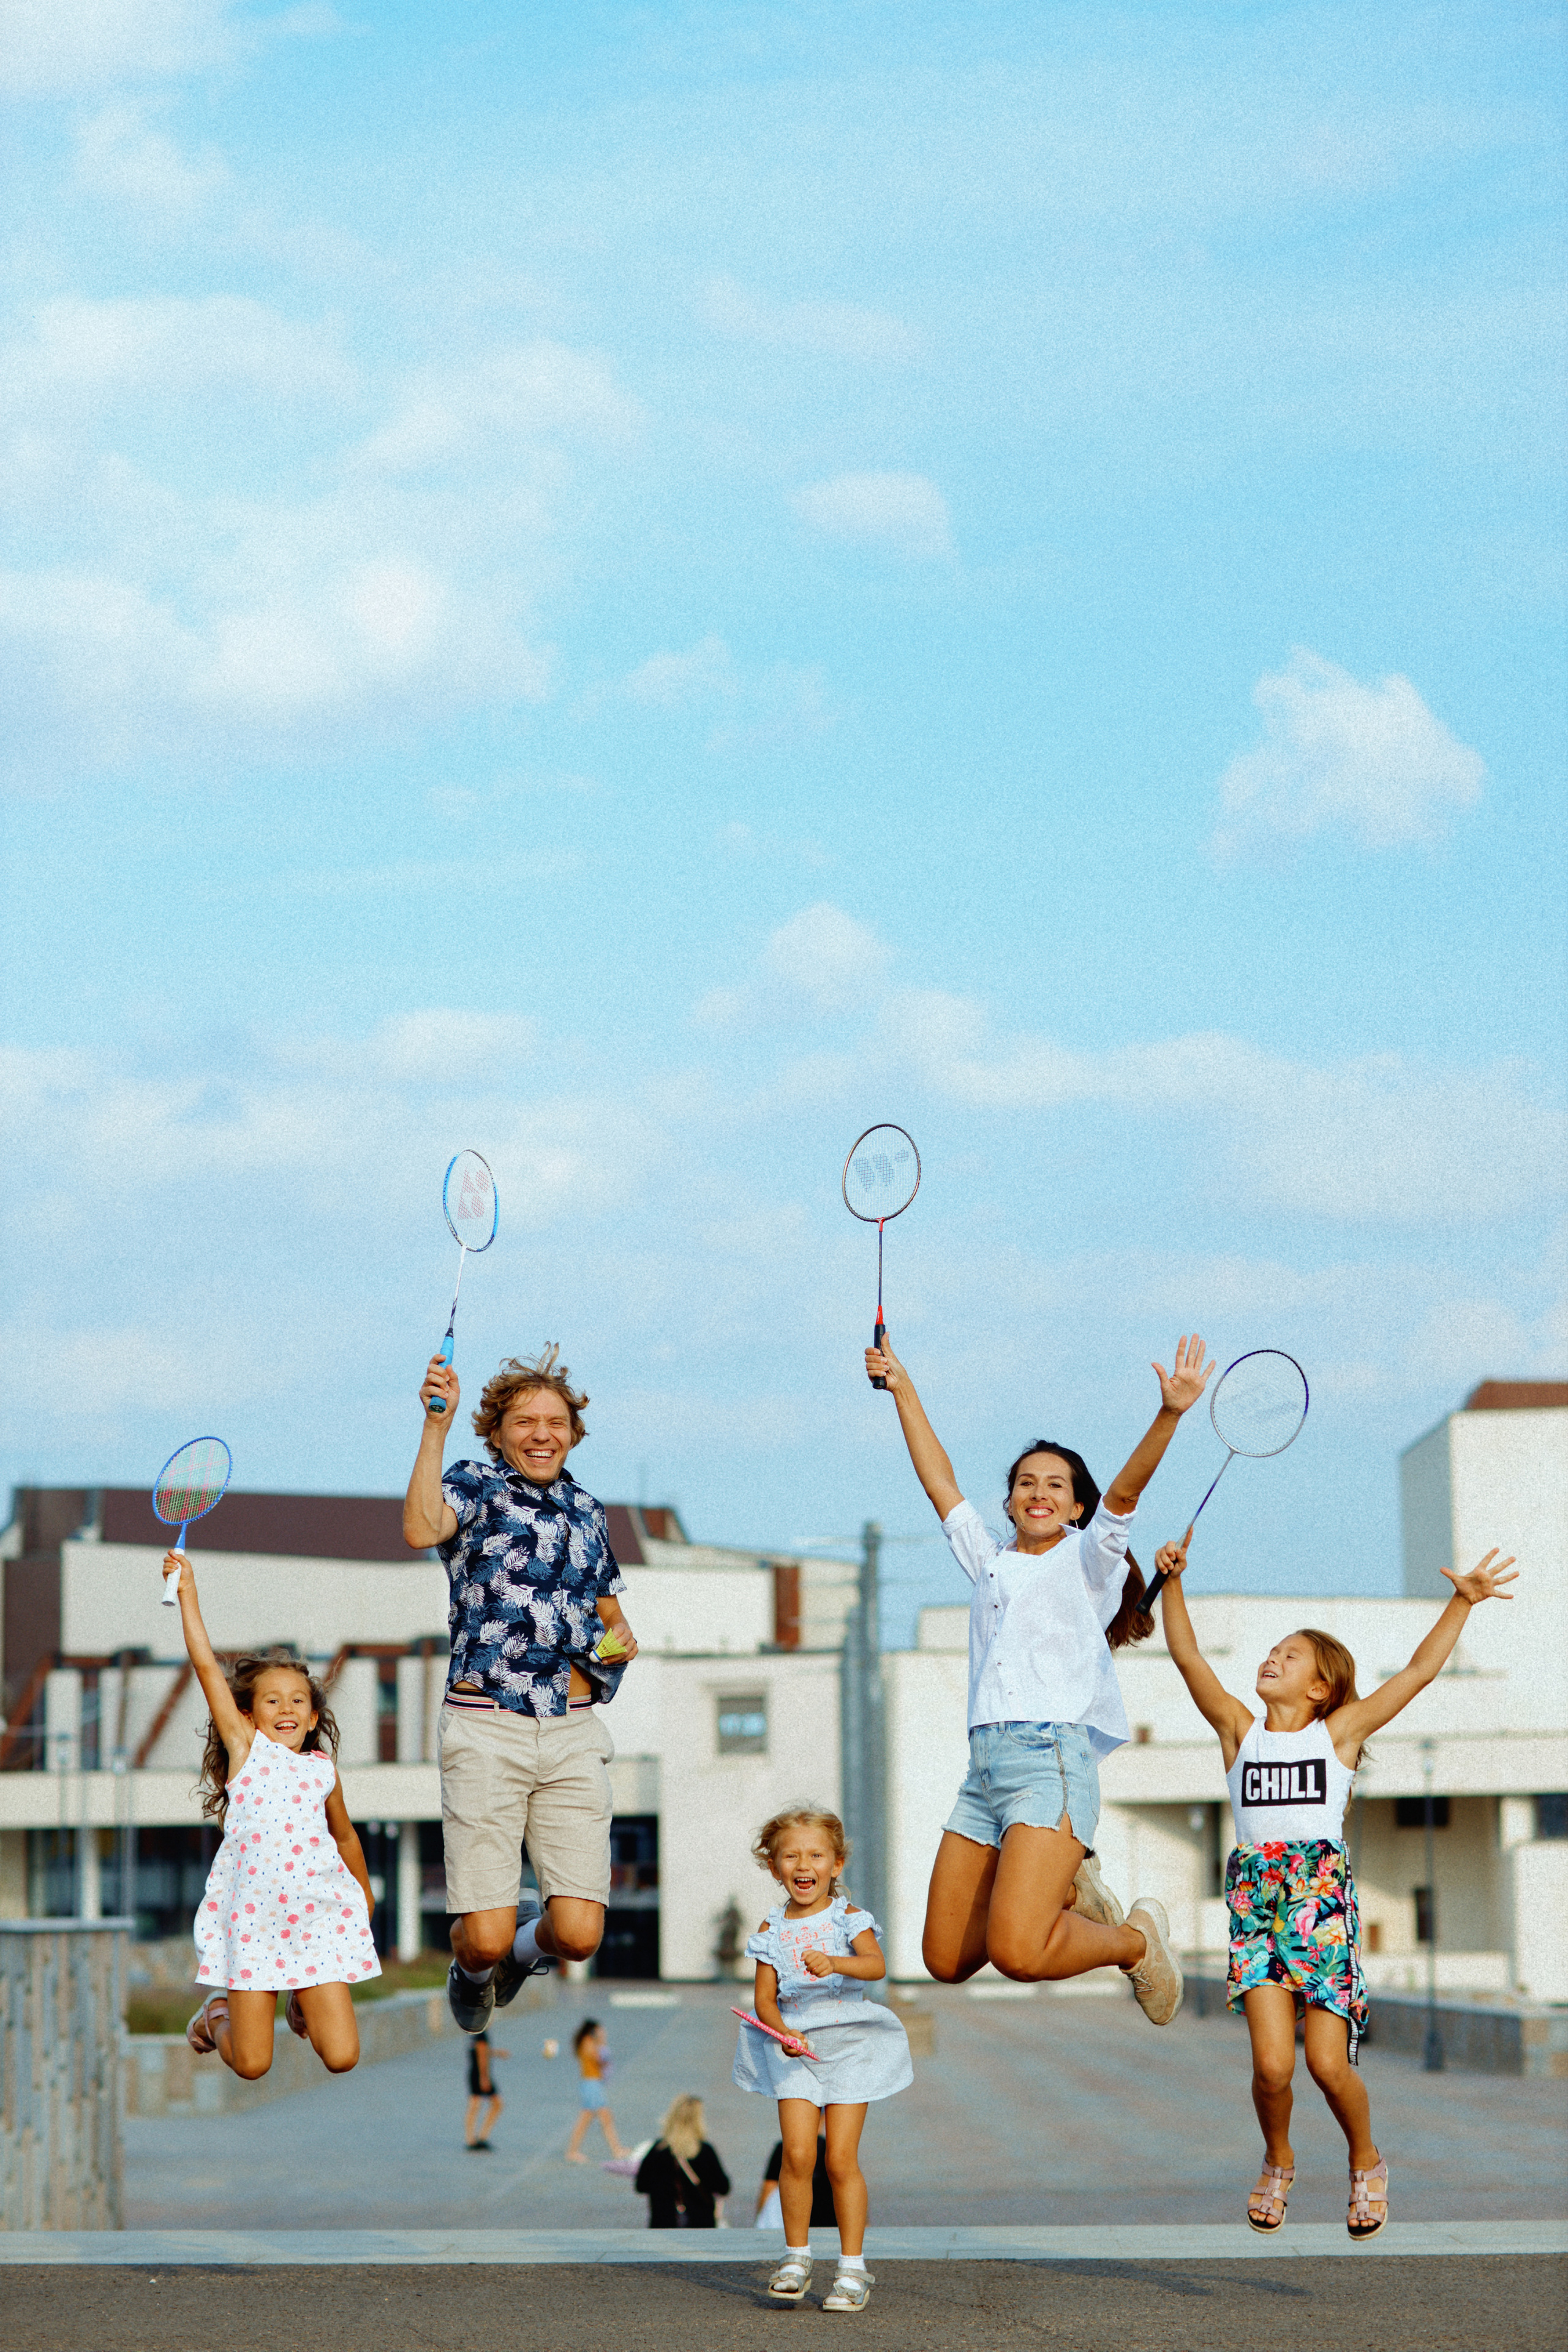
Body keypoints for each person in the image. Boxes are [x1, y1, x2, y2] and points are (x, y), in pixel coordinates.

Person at [1156, 1525, 1517, 2239]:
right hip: (1256, 1904)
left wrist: (1461, 1605)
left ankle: (1366, 2160)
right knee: (1270, 2067)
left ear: (1320, 1687)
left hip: (1318, 1903)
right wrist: (1171, 1582)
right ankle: (1278, 2159)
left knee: (1325, 2064)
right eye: (1270, 1652)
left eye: (1287, 1657)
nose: (1270, 1659)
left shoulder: (1337, 1735)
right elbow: (1187, 1655)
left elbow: (1414, 1675)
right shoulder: (1238, 1731)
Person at [867, 1329, 1211, 2016]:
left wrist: (1169, 1413)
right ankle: (1060, 1885)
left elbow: (1125, 1491)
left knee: (1020, 1954)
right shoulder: (990, 1561)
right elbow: (938, 1480)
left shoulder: (1087, 1560)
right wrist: (902, 1386)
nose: (1039, 1491)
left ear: (1076, 1508)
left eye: (1056, 1485)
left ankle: (1135, 1943)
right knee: (946, 1959)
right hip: (984, 1769)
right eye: (1026, 1482)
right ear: (1008, 1502)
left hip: (1048, 1760)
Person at [402, 1346, 641, 2034]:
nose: (543, 1433)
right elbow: (421, 1528)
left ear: (574, 1432)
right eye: (526, 1421)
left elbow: (611, 1615)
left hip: (572, 1729)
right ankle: (475, 1969)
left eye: (556, 1422)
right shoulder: (473, 1485)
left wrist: (621, 1640)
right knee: (480, 1937)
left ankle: (518, 1957)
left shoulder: (587, 1511)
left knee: (578, 1935)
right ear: (498, 1433)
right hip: (488, 1726)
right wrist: (433, 1429)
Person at [168, 1553, 379, 2079]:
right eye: (271, 1701)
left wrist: (364, 1894)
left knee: (342, 2056)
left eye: (297, 1701)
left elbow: (347, 1837)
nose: (285, 1709)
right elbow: (204, 1665)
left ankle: (301, 2002)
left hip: (316, 1921)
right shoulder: (247, 1753)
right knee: (251, 2064)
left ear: (312, 1718)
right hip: (254, 1924)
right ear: (248, 1714)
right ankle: (213, 2016)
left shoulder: (322, 1770)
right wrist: (188, 1592)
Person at [734, 1806, 913, 2314]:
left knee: (839, 2159)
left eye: (815, 1855)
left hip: (851, 2043)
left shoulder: (848, 1918)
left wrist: (835, 1961)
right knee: (797, 2156)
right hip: (796, 2046)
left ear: (836, 1865)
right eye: (791, 1855)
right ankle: (796, 2258)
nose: (802, 1864)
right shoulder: (771, 1926)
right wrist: (782, 2031)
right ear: (774, 1867)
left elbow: (875, 1966)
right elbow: (764, 1998)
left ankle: (853, 2268)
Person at [635, 2095, 731, 2227]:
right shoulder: (705, 2151)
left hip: (664, 2224)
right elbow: (723, 2187)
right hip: (700, 2224)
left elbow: (641, 2186)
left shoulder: (657, 2150)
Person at [564, 2018, 629, 2162]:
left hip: (593, 2084)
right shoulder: (588, 2042)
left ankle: (616, 2149)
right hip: (591, 2084)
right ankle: (573, 2151)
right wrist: (601, 2042)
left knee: (600, 2118)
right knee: (591, 2119)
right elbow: (598, 2059)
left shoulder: (587, 2042)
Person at [756, 2128, 835, 2230]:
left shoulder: (784, 2148)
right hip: (829, 2221)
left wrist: (760, 2217)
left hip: (795, 2222)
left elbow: (769, 2187)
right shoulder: (832, 2150)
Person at [465, 2030, 508, 2149]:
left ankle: (472, 2139)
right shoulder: (482, 2034)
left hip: (474, 2073)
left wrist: (498, 2053)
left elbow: (480, 2051)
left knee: (474, 2105)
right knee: (497, 2104)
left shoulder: (474, 2032)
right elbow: (481, 2054)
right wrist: (484, 2077)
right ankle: (480, 2137)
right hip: (481, 2074)